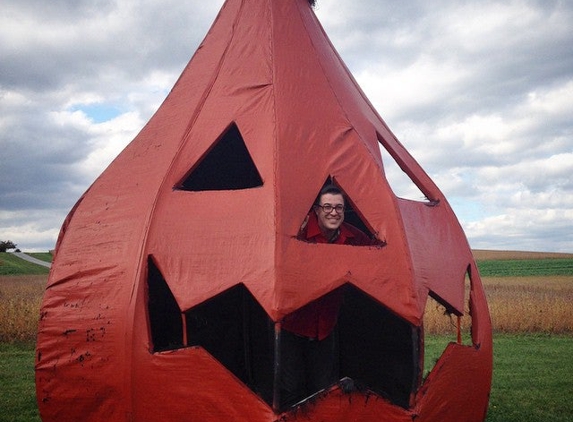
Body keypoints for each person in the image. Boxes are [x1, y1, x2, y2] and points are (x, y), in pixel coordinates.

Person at [278, 185, 372, 408]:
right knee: (291, 390)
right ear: (317, 210)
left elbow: (379, 252)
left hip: (325, 327)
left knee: (323, 390)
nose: (334, 212)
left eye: (339, 208)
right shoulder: (297, 232)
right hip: (293, 325)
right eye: (328, 207)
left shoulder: (351, 237)